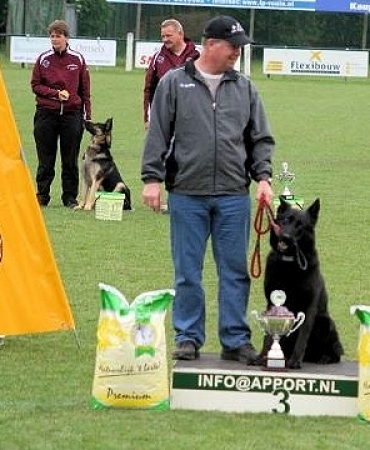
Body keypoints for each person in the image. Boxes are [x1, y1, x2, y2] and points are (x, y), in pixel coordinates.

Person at [141, 15, 275, 363]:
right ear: (212, 44)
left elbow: (260, 139)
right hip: (187, 193)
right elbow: (157, 134)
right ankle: (188, 337)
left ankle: (235, 339)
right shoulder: (173, 83)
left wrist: (264, 179)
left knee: (234, 270)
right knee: (188, 270)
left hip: (233, 195)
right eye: (233, 47)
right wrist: (151, 179)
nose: (237, 53)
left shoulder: (245, 87)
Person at [30, 19, 91, 208]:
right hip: (46, 114)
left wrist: (86, 117)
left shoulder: (77, 59)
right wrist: (55, 94)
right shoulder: (43, 59)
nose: (54, 39)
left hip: (72, 116)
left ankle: (69, 196)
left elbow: (85, 91)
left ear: (66, 37)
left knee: (70, 159)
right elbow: (35, 85)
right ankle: (42, 194)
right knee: (45, 159)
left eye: (58, 36)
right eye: (52, 36)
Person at [143, 19, 200, 130]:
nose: (165, 39)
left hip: (195, 118)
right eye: (163, 36)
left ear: (181, 34)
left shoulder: (198, 54)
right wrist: (148, 118)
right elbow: (149, 89)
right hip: (165, 118)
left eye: (169, 36)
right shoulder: (157, 58)